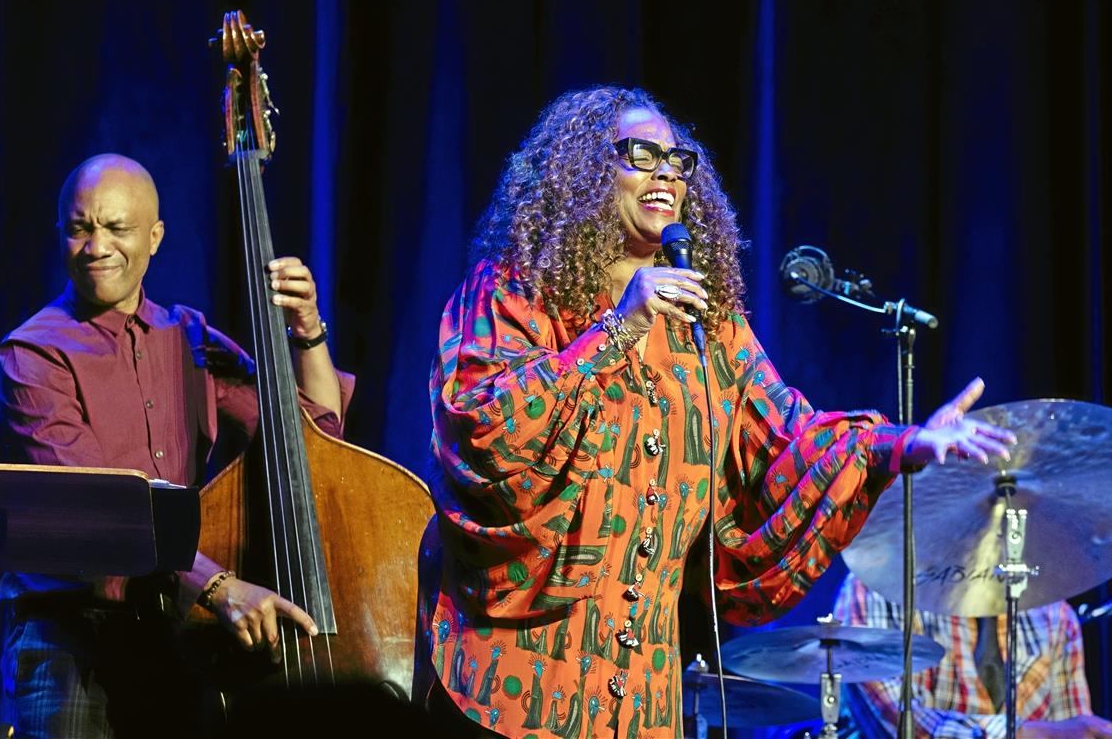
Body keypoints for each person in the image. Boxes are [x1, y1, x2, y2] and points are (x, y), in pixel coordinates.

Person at [413, 85, 1016, 739]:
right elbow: (486, 425)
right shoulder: (513, 290)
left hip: (639, 704)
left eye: (677, 161)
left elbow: (787, 440)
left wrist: (906, 445)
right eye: (641, 155)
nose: (666, 172)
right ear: (582, 169)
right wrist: (618, 329)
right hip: (511, 685)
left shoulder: (711, 333)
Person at [0, 153, 355, 738]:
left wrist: (307, 330)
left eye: (117, 228)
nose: (95, 246)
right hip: (69, 640)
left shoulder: (188, 336)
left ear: (155, 237)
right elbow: (103, 510)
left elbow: (312, 432)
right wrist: (218, 586)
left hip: (173, 635)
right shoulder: (32, 355)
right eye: (80, 227)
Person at [833, 571, 1112, 739]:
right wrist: (1025, 734)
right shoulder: (876, 589)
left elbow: (1072, 728)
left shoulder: (1055, 614)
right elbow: (899, 725)